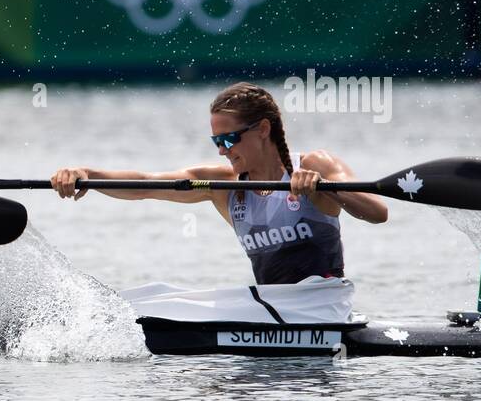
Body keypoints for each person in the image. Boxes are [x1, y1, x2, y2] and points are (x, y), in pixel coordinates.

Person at [50, 83, 388, 286]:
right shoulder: (224, 185)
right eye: (216, 141)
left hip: (325, 306)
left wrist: (325, 187)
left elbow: (378, 211)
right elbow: (147, 184)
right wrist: (85, 174)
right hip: (275, 310)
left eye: (229, 138)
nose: (223, 150)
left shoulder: (315, 165)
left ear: (263, 130)